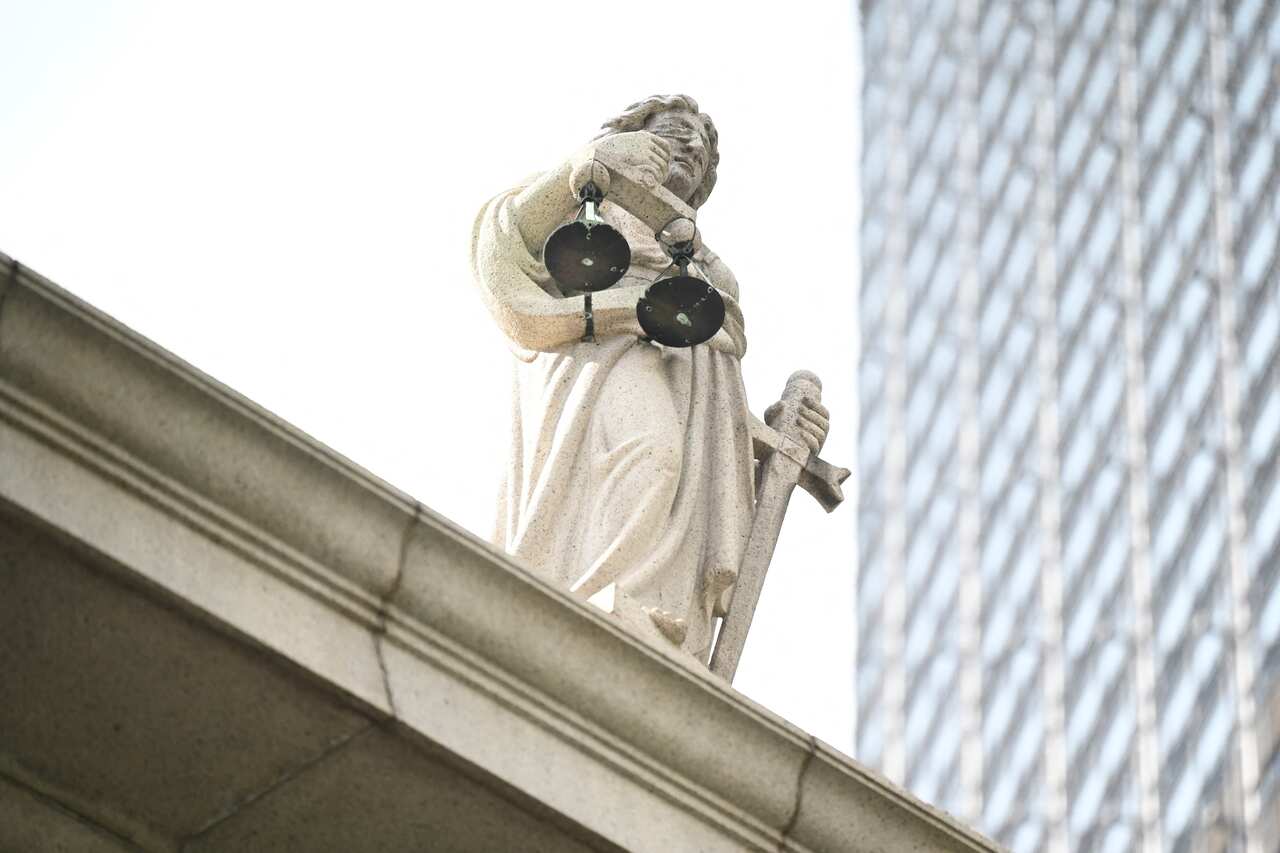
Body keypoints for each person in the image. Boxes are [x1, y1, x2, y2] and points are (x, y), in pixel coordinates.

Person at [470, 94, 824, 663]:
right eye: (676, 131)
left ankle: (646, 606)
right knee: (650, 455)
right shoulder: (585, 209)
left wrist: (774, 437)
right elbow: (503, 249)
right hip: (601, 362)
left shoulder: (707, 269)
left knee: (672, 465)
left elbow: (711, 404)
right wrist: (593, 161)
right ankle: (595, 595)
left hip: (687, 398)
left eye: (702, 149)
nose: (691, 147)